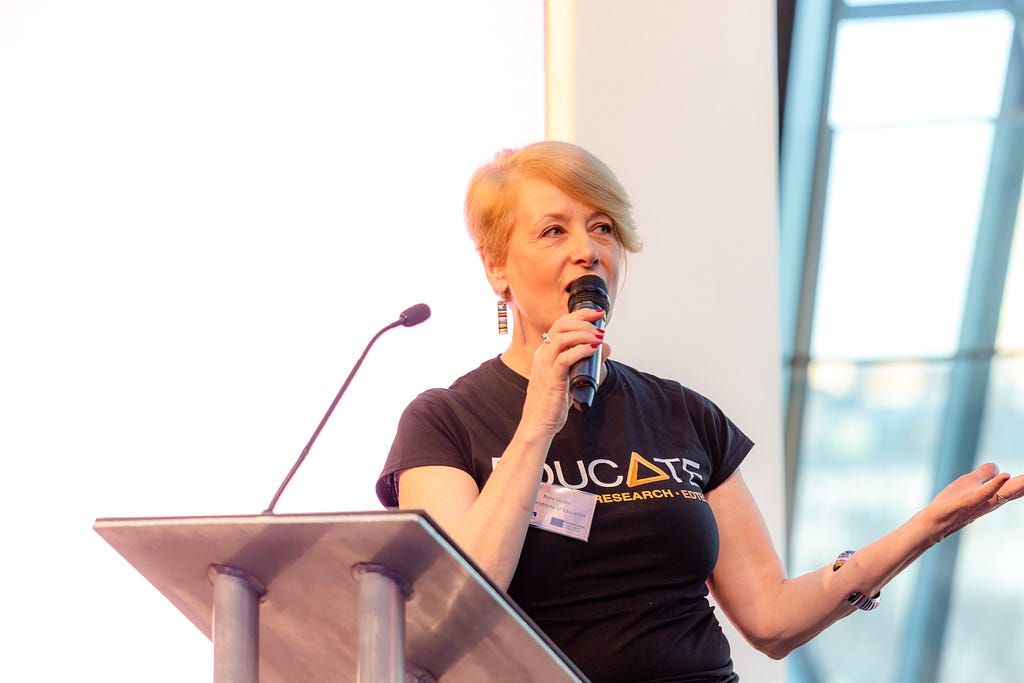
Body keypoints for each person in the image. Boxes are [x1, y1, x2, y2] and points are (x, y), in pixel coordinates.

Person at [376, 140, 1022, 682]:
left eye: (603, 227)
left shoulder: (682, 412)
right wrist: (538, 421)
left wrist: (926, 528)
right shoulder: (444, 422)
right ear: (495, 266)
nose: (587, 249)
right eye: (554, 230)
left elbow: (771, 618)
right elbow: (456, 604)